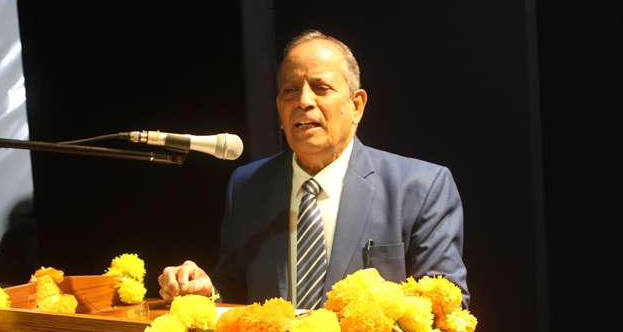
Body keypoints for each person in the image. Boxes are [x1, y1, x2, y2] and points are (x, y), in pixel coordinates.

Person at [159, 29, 468, 308]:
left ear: (356, 106)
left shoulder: (420, 187)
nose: (304, 101)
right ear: (280, 109)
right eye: (291, 91)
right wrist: (206, 291)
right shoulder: (248, 186)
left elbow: (446, 308)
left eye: (321, 88)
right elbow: (235, 290)